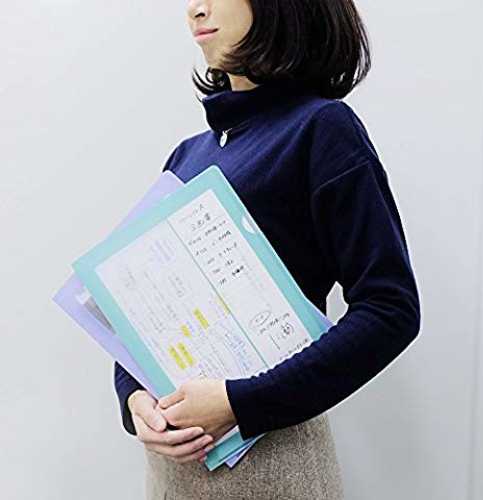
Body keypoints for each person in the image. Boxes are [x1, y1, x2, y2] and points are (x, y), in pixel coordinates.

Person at [114, 1, 421, 498]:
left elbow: (391, 310)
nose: (196, 8)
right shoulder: (188, 155)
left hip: (273, 466)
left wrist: (240, 402)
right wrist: (134, 400)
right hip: (173, 472)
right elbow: (145, 311)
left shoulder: (322, 129)